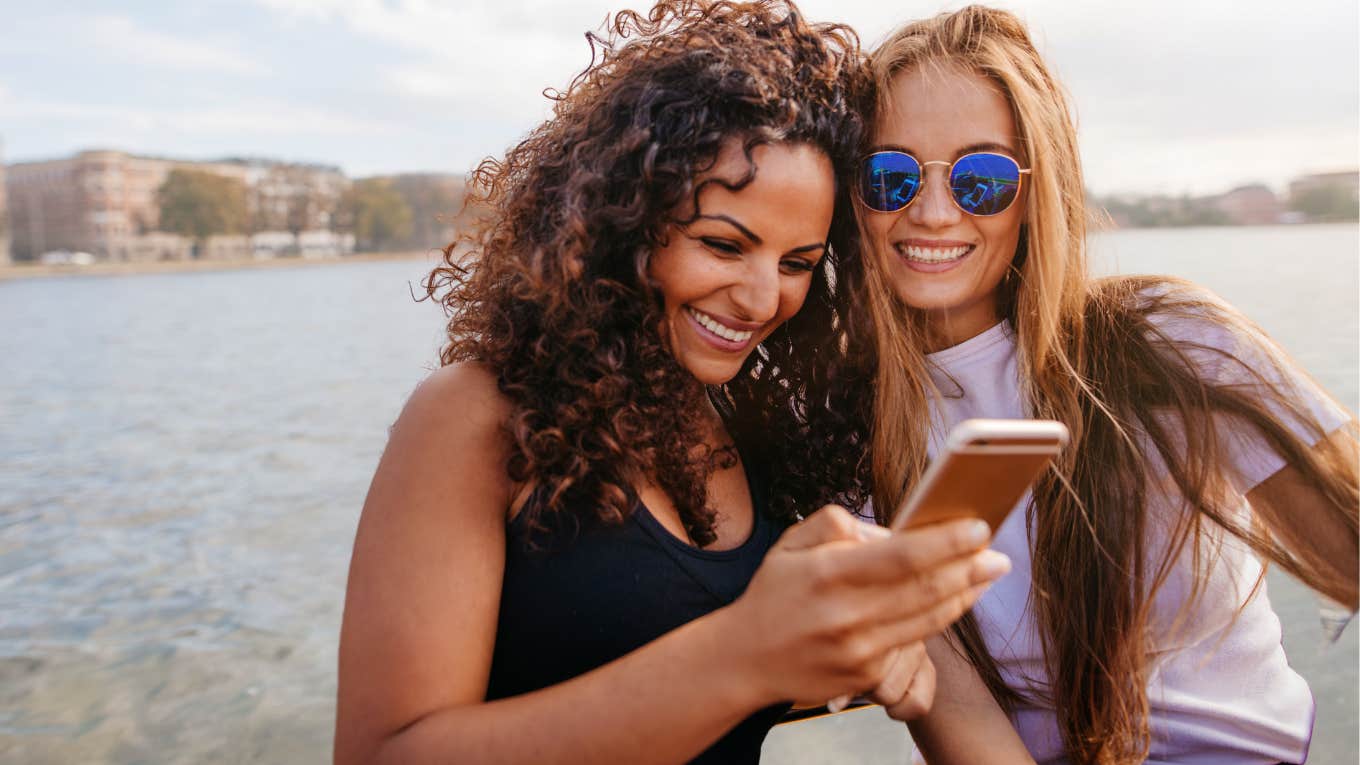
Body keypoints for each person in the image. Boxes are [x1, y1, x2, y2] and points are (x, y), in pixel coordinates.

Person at [333, 3, 1012, 763]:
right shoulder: (474, 415)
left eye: (795, 264)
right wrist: (746, 652)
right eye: (724, 244)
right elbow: (380, 753)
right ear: (624, 218)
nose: (762, 300)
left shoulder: (756, 428)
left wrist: (863, 644)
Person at [849, 6, 1360, 765]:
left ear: (1035, 192)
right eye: (889, 176)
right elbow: (956, 711)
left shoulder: (1173, 343)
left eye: (980, 179)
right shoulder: (844, 426)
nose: (929, 211)